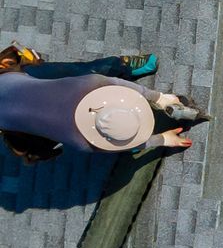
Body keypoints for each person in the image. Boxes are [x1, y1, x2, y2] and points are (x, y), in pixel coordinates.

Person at [0, 48, 207, 162]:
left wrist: (159, 97)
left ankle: (122, 65)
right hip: (7, 115)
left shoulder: (91, 83)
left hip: (8, 78)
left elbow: (118, 84)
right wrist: (161, 138)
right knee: (32, 146)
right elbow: (132, 145)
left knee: (89, 69)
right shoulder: (81, 142)